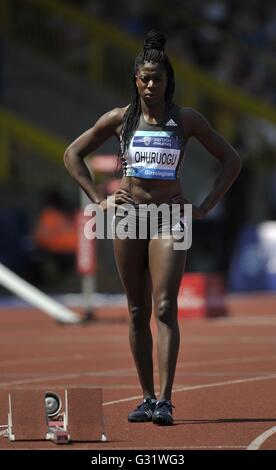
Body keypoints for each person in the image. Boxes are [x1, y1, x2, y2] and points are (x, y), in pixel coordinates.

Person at [64, 30, 241, 425]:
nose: (149, 84)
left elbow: (231, 160)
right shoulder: (119, 119)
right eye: (143, 78)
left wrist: (206, 205)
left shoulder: (186, 120)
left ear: (167, 81)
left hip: (170, 217)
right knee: (136, 308)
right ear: (135, 80)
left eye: (156, 78)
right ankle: (145, 397)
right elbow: (72, 154)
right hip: (128, 216)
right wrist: (99, 199)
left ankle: (165, 399)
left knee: (163, 306)